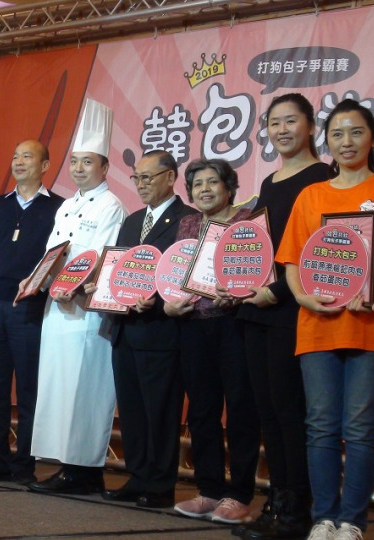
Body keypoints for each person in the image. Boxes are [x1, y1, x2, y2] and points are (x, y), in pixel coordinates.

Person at [277, 99, 374, 540]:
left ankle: (352, 523)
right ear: (327, 141)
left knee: (360, 428)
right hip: (318, 326)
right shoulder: (311, 195)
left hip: (372, 325)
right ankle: (324, 518)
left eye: (356, 132)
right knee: (321, 426)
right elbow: (292, 261)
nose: (347, 141)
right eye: (338, 134)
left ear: (372, 138)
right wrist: (304, 297)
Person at [231, 94, 329, 540]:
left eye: (291, 121)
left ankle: (297, 510)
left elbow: (319, 250)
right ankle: (277, 500)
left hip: (295, 309)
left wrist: (277, 291)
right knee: (267, 411)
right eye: (274, 123)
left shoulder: (323, 178)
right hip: (258, 309)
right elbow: (264, 248)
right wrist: (238, 283)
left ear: (310, 125)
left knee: (291, 411)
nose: (282, 130)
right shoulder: (270, 182)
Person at [22, 99, 128, 495]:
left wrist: (73, 286)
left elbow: (102, 256)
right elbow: (54, 252)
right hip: (56, 307)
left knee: (85, 388)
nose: (79, 168)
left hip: (85, 311)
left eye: (88, 162)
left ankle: (83, 470)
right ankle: (64, 466)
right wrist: (35, 279)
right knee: (57, 386)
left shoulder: (112, 206)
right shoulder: (67, 205)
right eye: (75, 162)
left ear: (105, 167)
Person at [164, 159, 260, 524]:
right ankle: (209, 490)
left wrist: (239, 291)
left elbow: (259, 271)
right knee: (201, 411)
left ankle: (239, 495)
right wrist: (169, 302)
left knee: (240, 409)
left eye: (212, 182)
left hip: (235, 324)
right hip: (192, 325)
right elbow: (175, 272)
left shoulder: (248, 221)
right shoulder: (188, 224)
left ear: (229, 187)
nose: (204, 189)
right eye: (197, 184)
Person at [101, 150, 196, 508]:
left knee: (160, 411)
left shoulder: (188, 220)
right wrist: (104, 290)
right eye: (136, 178)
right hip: (125, 328)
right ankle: (137, 475)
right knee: (132, 410)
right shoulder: (132, 221)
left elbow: (185, 276)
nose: (140, 185)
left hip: (161, 331)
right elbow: (120, 271)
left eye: (147, 177)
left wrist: (154, 303)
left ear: (170, 177)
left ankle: (159, 485)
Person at [0, 140, 64, 484]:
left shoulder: (60, 207)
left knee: (28, 389)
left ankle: (25, 464)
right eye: (15, 155)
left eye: (27, 156)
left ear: (45, 166)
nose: (18, 161)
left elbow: (59, 258)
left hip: (30, 307)